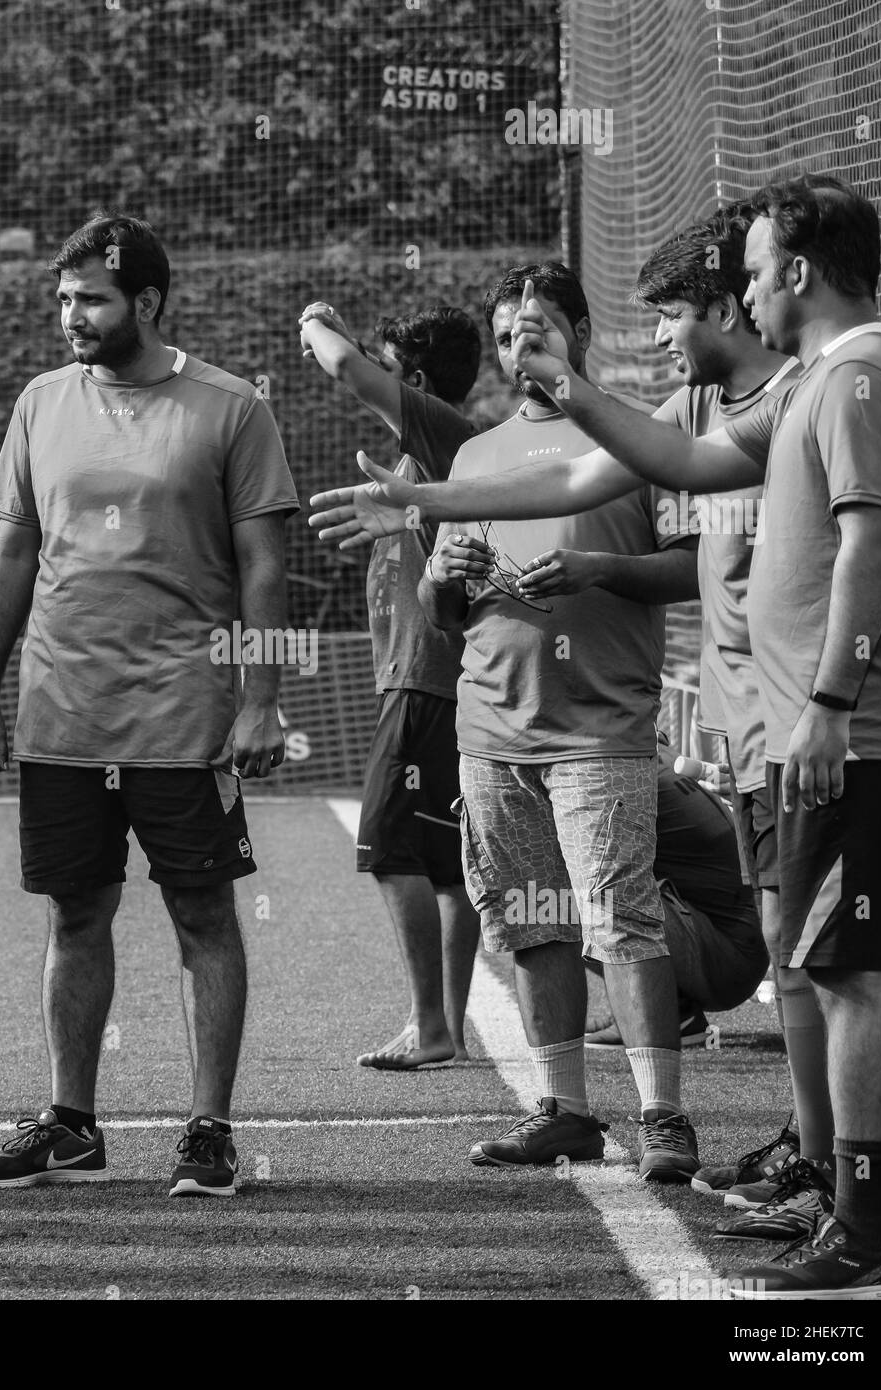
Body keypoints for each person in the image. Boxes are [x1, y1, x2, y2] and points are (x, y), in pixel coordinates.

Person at [460, 175, 881, 1298]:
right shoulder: (814, 382)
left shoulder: (857, 377)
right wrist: (558, 392)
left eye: (753, 268)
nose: (742, 289)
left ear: (796, 272)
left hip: (850, 737)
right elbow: (680, 463)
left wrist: (828, 703)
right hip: (814, 735)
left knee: (856, 978)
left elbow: (868, 548)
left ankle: (864, 1221)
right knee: (837, 971)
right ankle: (858, 1197)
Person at [0, 213, 297, 1198]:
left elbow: (264, 564)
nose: (70, 316)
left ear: (144, 303)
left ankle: (209, 1129)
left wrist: (261, 699)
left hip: (184, 712)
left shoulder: (229, 407)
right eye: (61, 300)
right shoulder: (38, 403)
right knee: (75, 910)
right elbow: (12, 552)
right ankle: (70, 1123)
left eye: (90, 300)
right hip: (61, 712)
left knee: (201, 911)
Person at [385, 262, 701, 1181]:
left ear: (580, 334)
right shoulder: (476, 457)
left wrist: (600, 571)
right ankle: (564, 1110)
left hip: (600, 727)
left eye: (538, 329)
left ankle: (665, 1117)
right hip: (492, 730)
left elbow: (693, 568)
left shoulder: (641, 441)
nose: (520, 346)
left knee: (622, 920)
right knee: (530, 923)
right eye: (509, 333)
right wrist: (446, 582)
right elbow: (443, 613)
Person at [297, 300, 480, 1068]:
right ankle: (443, 1026)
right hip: (429, 679)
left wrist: (314, 320)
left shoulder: (440, 432)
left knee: (391, 850)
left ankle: (432, 1024)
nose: (375, 371)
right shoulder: (424, 459)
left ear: (418, 380)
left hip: (425, 682)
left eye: (390, 364)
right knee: (446, 864)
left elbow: (342, 364)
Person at [585, 759, 768, 1045]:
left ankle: (661, 1012)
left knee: (558, 900)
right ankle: (657, 1009)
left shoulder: (618, 779)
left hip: (726, 958)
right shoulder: (638, 762)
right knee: (577, 889)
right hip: (732, 945)